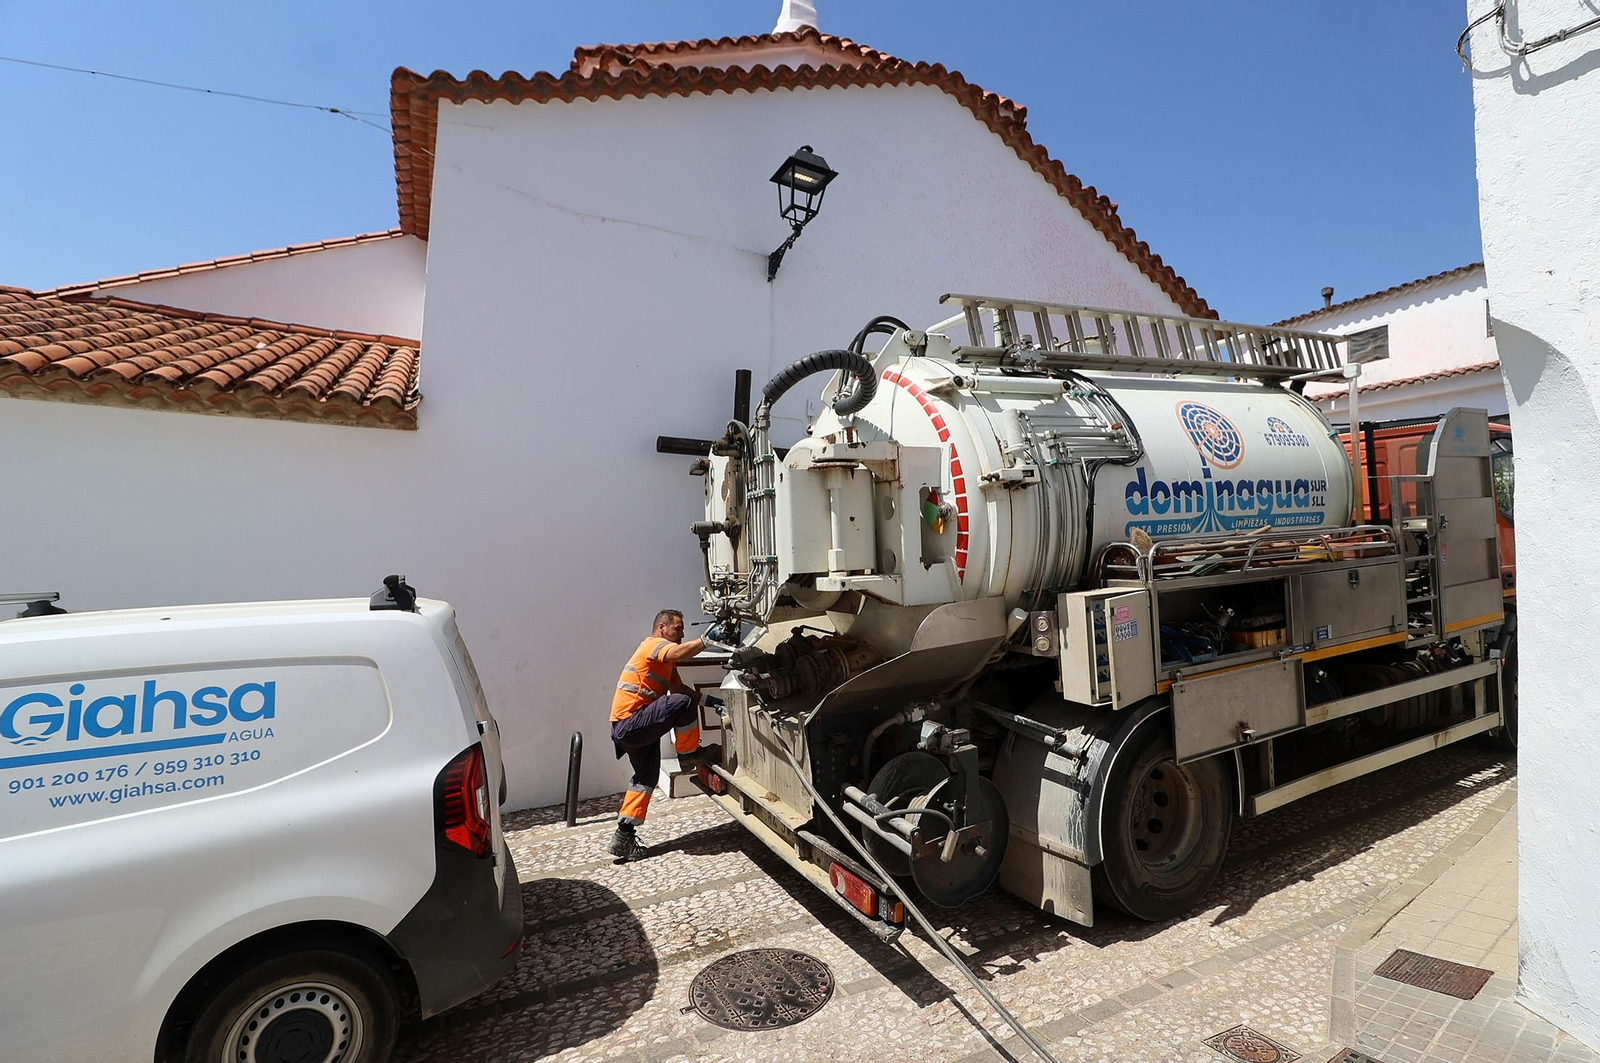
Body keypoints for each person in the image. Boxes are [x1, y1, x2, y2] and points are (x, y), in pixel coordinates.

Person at [607, 609, 718, 859]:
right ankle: (688, 754)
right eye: (677, 629)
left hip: (629, 728)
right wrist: (706, 641)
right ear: (661, 629)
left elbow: (680, 688)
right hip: (632, 723)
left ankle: (623, 836)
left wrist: (710, 701)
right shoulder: (652, 646)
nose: (681, 634)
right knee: (680, 702)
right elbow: (679, 655)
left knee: (645, 777)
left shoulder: (667, 665)